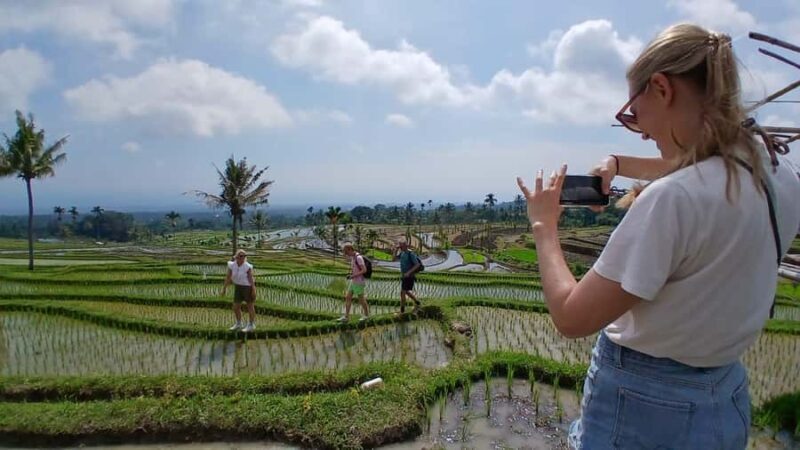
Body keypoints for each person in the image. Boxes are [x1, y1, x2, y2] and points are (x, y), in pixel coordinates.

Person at [516, 23, 800, 449]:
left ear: (661, 88)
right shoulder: (778, 174)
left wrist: (544, 227)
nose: (641, 131)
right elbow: (705, 165)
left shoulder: (672, 202)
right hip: (724, 396)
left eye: (634, 113)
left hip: (645, 407)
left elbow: (572, 318)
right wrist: (617, 162)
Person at [221, 249, 257, 332]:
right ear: (236, 257)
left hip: (247, 287)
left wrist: (253, 290)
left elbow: (251, 279)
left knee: (250, 306)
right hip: (238, 286)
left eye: (244, 256)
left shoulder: (247, 267)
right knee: (235, 307)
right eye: (241, 256)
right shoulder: (232, 265)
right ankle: (238, 323)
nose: (243, 257)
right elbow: (228, 277)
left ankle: (251, 324)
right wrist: (224, 289)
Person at [338, 243, 370, 323]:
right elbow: (355, 269)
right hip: (354, 281)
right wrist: (351, 275)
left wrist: (353, 276)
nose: (346, 254)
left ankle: (366, 315)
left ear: (350, 249)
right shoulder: (353, 257)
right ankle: (346, 317)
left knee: (361, 299)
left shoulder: (358, 258)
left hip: (359, 282)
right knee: (348, 297)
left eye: (346, 252)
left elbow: (364, 270)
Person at [393, 239, 422, 315]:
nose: (400, 247)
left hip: (409, 276)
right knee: (406, 292)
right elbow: (393, 259)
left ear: (405, 245)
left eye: (401, 246)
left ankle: (402, 310)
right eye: (399, 246)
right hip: (404, 275)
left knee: (402, 292)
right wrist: (395, 250)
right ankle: (417, 302)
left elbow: (417, 264)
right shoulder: (402, 253)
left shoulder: (410, 253)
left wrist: (408, 273)